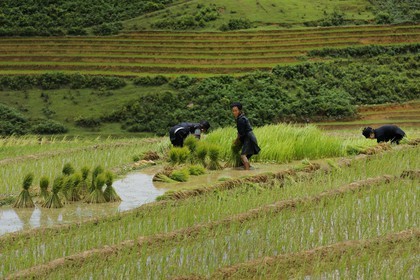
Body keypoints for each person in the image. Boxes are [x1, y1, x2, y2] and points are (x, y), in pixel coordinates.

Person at [231, 102, 261, 170]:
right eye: (233, 111)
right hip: (250, 137)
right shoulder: (241, 118)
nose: (234, 112)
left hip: (249, 138)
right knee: (245, 157)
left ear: (240, 110)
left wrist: (236, 141)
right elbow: (240, 132)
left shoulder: (241, 119)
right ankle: (249, 169)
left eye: (236, 110)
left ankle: (247, 173)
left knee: (243, 156)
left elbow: (240, 134)